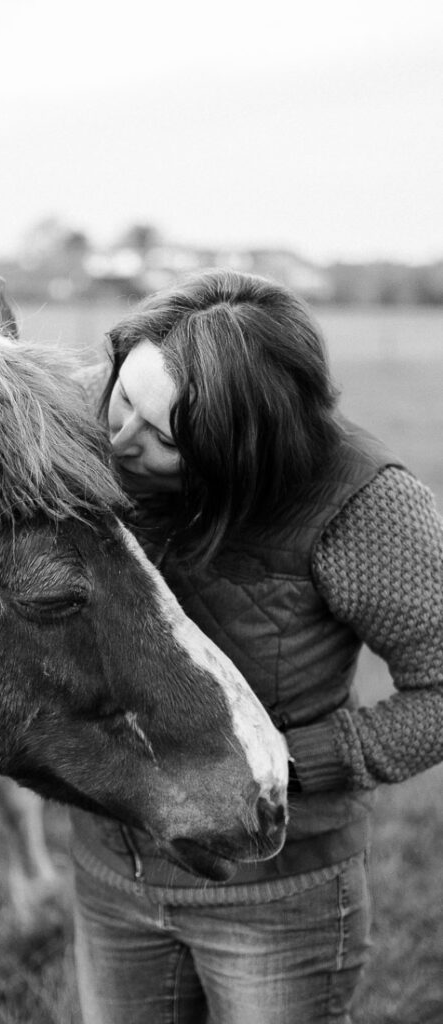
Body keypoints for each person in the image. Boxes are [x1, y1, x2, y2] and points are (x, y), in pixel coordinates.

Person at [69, 269, 443, 1024]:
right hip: (112, 874)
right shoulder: (86, 417)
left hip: (276, 898)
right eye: (123, 398)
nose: (118, 440)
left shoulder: (361, 505)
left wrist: (289, 766)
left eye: (165, 439)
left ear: (241, 450)